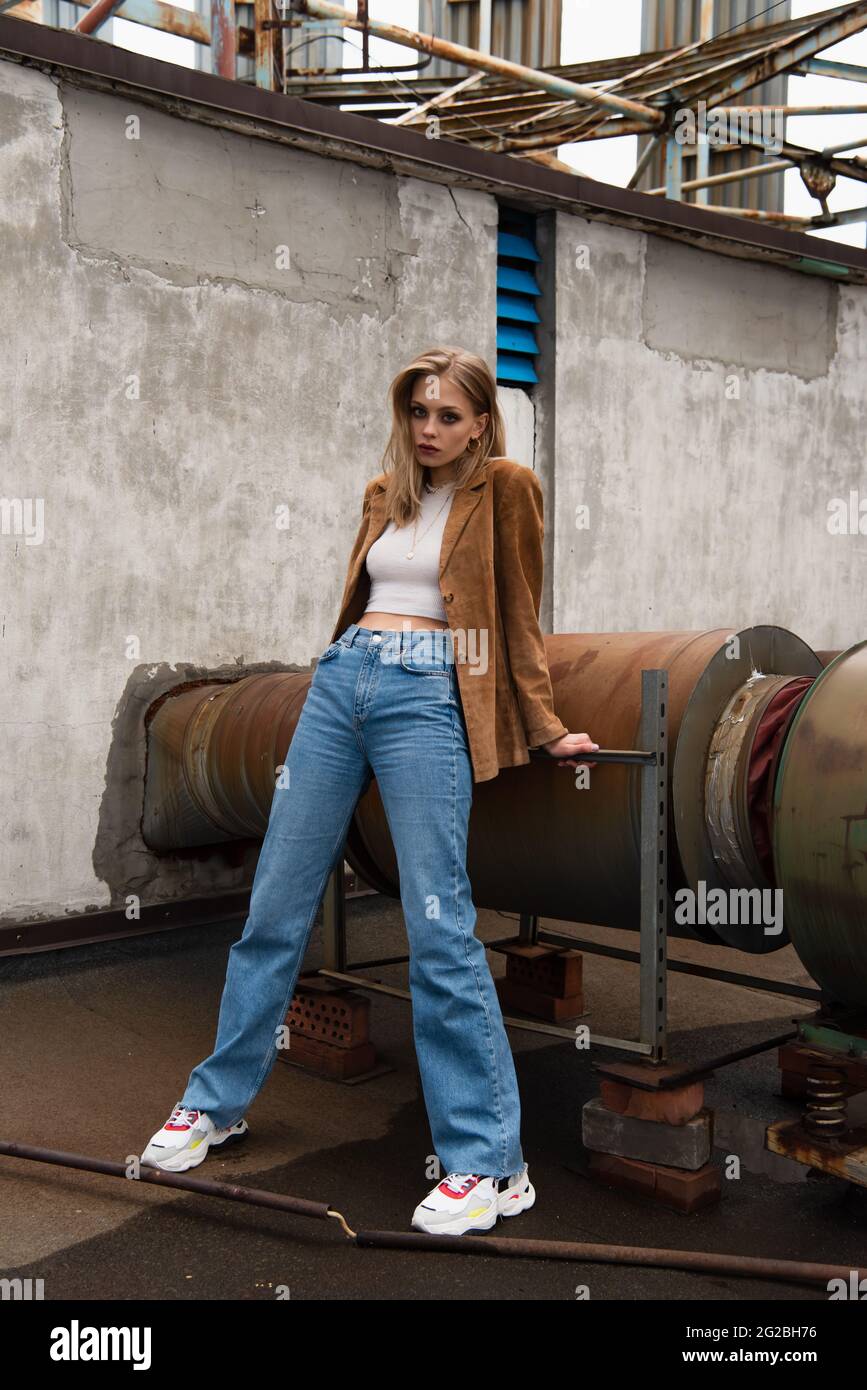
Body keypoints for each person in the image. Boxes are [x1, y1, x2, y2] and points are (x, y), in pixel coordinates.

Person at [141, 345, 598, 1236]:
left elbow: (519, 615)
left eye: (447, 417)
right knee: (275, 904)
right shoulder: (382, 491)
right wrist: (334, 672)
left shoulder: (506, 488)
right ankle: (216, 1103)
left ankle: (489, 1164)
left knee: (437, 924)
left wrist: (543, 727)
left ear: (479, 422)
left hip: (429, 692)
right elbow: (355, 602)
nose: (428, 431)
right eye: (418, 413)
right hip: (342, 683)